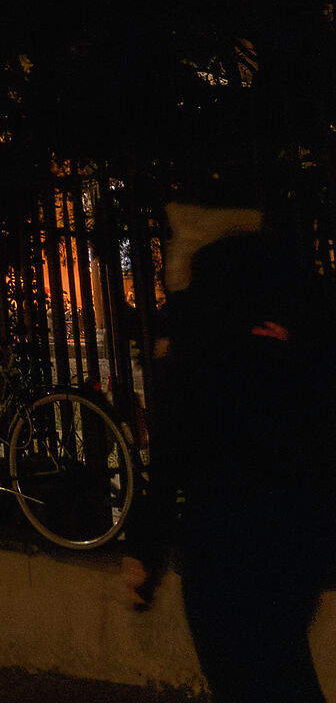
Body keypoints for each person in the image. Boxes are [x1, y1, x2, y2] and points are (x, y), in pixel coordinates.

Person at [123, 222, 331, 702]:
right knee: (287, 672)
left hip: (221, 553)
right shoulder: (296, 352)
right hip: (292, 549)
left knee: (241, 678)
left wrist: (145, 551)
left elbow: (171, 461)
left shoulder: (196, 357)